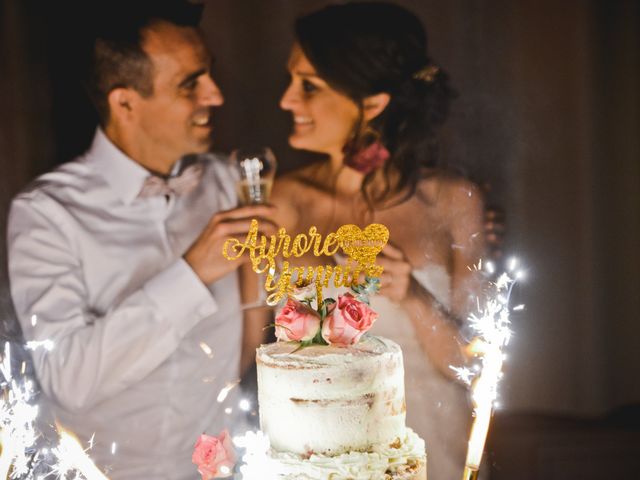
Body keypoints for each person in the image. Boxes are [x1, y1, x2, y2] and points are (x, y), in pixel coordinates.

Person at [6, 2, 274, 478]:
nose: (215, 95)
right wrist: (192, 274)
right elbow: (67, 379)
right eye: (190, 83)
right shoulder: (46, 212)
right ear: (125, 102)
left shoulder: (229, 182)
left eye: (209, 75)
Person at [270, 3, 485, 479]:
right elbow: (251, 345)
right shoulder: (282, 201)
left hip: (430, 447)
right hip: (316, 453)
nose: (287, 101)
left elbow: (471, 364)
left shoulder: (452, 201)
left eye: (308, 85)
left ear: (373, 103)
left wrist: (410, 294)